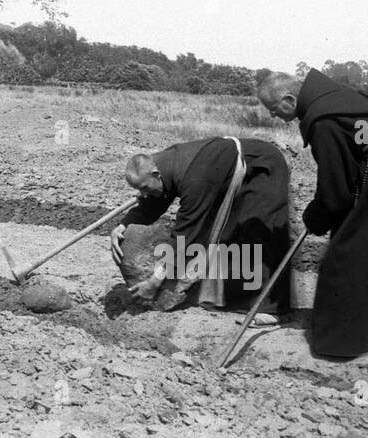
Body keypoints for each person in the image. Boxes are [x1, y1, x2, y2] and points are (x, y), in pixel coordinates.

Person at [256, 68, 368, 357]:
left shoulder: (323, 119)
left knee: (351, 247)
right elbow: (347, 172)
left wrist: (317, 215)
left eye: (274, 110)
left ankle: (341, 340)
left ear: (289, 99)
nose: (274, 116)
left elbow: (336, 187)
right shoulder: (329, 99)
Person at [109, 137, 294, 320]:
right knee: (230, 237)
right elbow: (150, 205)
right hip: (223, 173)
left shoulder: (194, 179)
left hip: (262, 167)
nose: (143, 194)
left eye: (144, 188)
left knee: (261, 233)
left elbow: (187, 233)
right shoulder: (160, 169)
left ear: (156, 174)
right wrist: (122, 226)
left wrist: (155, 281)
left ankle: (271, 310)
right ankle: (237, 299)